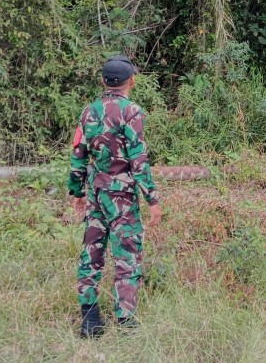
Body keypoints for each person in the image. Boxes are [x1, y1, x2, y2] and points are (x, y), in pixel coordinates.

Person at [69, 55, 162, 338]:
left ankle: (90, 320)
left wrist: (77, 191)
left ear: (103, 81)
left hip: (97, 193)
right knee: (128, 256)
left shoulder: (89, 112)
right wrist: (153, 199)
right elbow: (139, 160)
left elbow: (78, 155)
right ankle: (125, 321)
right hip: (121, 196)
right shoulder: (131, 112)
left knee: (91, 253)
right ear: (131, 80)